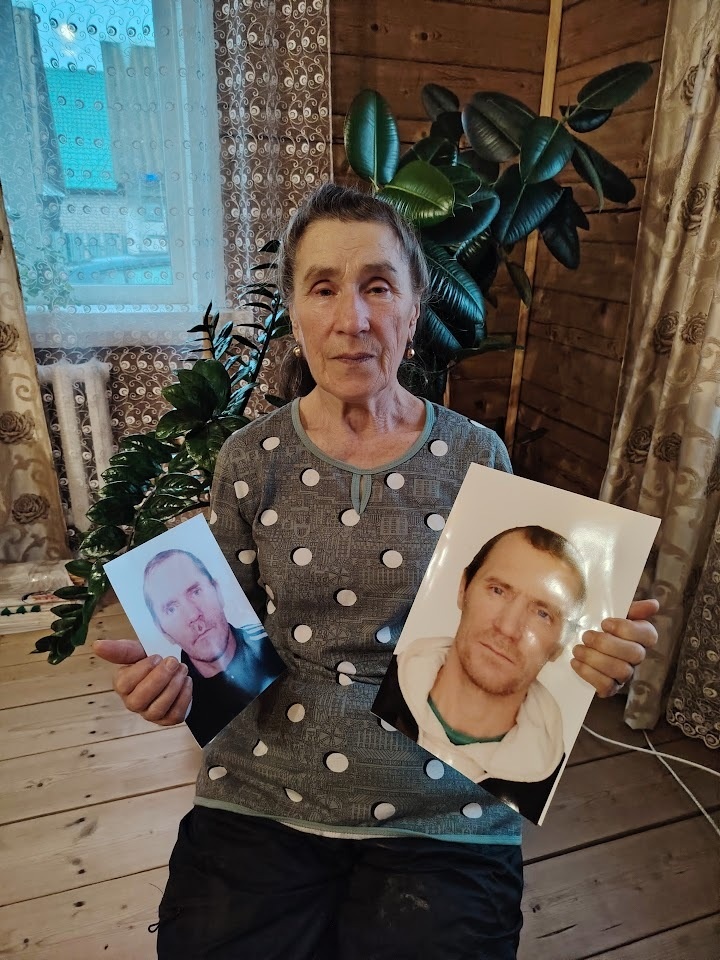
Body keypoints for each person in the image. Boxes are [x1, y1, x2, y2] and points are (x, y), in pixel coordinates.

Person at [93, 183, 659, 960]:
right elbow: (226, 638)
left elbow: (524, 623)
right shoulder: (250, 460)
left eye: (379, 287)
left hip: (446, 801)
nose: (352, 319)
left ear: (414, 308)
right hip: (266, 788)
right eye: (323, 288)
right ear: (295, 312)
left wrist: (593, 658)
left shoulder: (477, 455)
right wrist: (172, 684)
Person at [373, 525, 588, 823]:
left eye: (543, 614)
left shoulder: (555, 784)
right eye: (498, 591)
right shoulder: (373, 681)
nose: (508, 628)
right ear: (463, 589)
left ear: (561, 645)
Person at [142, 548, 286, 746]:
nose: (193, 615)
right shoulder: (179, 699)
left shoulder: (274, 641)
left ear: (218, 592)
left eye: (196, 592)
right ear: (163, 631)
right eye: (171, 608)